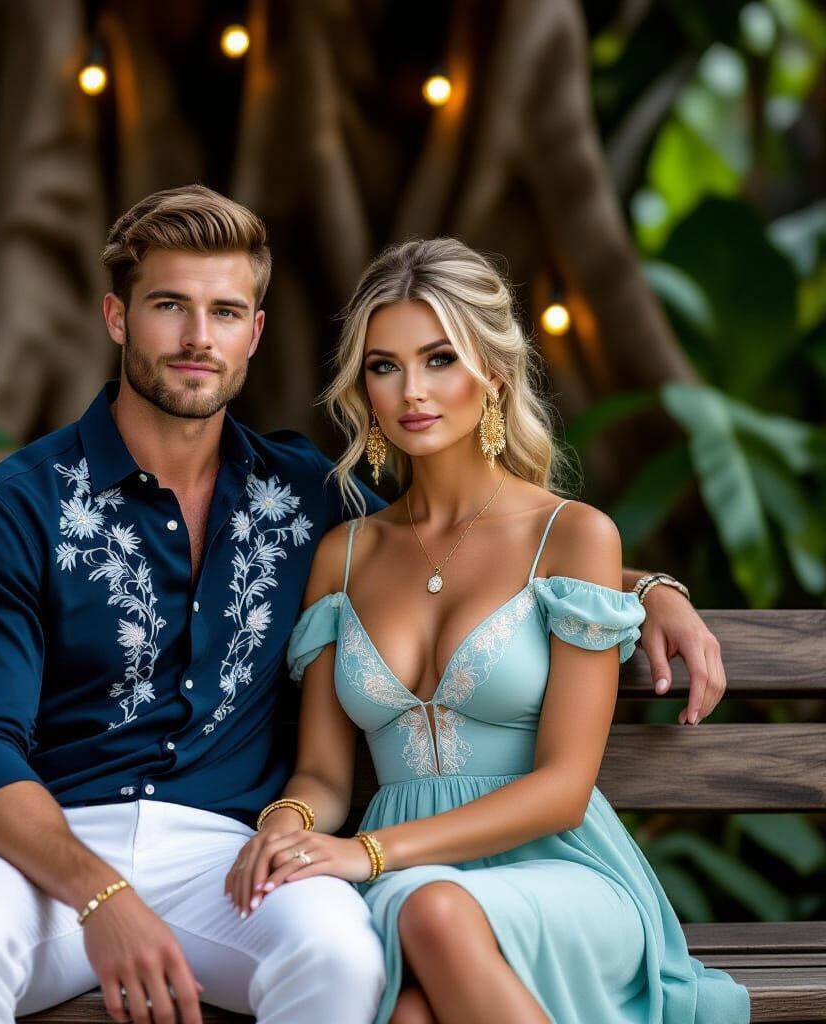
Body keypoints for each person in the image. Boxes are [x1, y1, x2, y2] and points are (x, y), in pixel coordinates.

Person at [0, 186, 728, 1024]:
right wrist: (102, 894)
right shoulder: (13, 509)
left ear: (253, 333)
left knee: (341, 958)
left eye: (223, 312)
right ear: (117, 318)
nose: (195, 338)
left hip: (223, 855)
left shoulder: (302, 502)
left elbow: (484, 557)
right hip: (40, 853)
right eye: (168, 307)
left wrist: (648, 590)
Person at [226, 238, 749, 1023]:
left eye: (440, 359)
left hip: (555, 874)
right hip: (404, 881)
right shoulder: (345, 555)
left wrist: (365, 854)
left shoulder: (571, 536)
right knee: (409, 1005)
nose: (412, 391)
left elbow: (564, 791)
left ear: (493, 372)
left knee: (432, 913)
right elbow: (327, 778)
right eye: (384, 365)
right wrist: (286, 827)